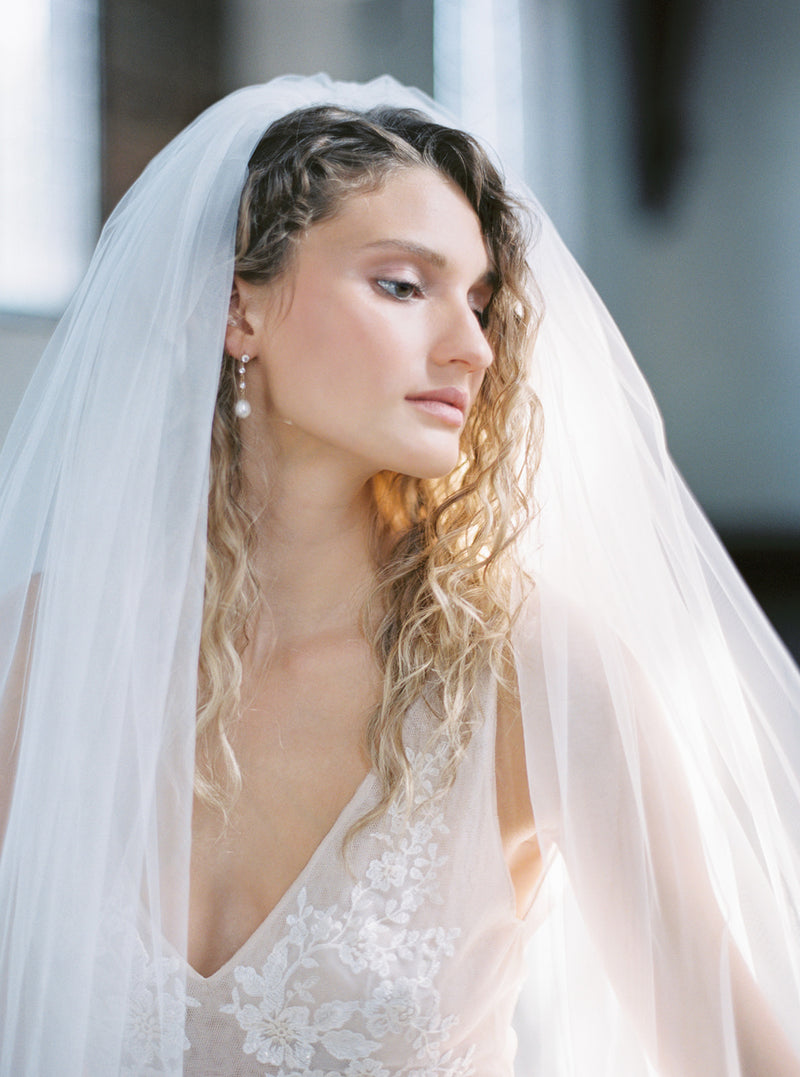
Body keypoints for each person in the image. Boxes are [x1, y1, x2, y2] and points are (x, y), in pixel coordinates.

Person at [0, 74, 798, 1076]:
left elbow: (736, 1052)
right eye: (401, 285)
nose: (469, 346)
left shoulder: (533, 673)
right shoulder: (51, 650)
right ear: (236, 311)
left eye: (478, 301)